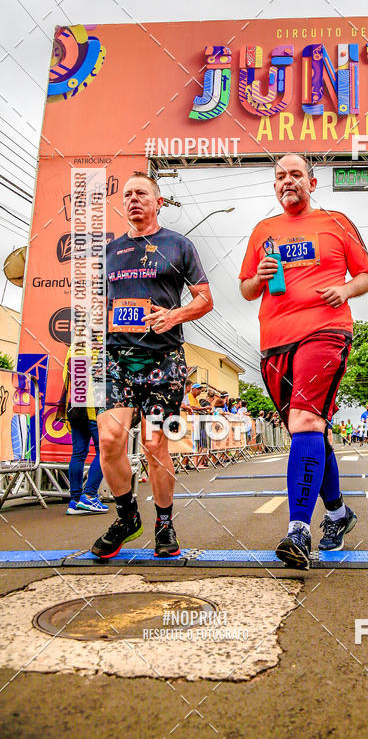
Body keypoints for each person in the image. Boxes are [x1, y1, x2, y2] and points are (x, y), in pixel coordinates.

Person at [239, 153, 368, 568]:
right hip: (275, 340)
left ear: (312, 183)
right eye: (280, 176)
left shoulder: (336, 222)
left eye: (295, 174)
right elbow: (245, 289)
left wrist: (346, 291)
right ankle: (338, 513)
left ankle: (298, 532)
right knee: (310, 434)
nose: (287, 181)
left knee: (306, 422)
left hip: (326, 329)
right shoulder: (264, 231)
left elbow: (367, 274)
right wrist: (260, 278)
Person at [91, 172, 213, 559]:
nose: (133, 200)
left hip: (164, 362)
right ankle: (127, 517)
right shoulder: (109, 253)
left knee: (155, 443)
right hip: (117, 360)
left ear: (158, 202)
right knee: (109, 440)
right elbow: (97, 307)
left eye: (142, 193)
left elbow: (205, 299)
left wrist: (174, 315)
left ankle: (164, 522)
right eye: (127, 195)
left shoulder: (179, 246)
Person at [60, 342, 108, 515]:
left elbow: (65, 377)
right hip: (95, 407)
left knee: (78, 453)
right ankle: (89, 496)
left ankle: (74, 500)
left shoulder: (72, 349)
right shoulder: (100, 347)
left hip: (74, 406)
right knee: (104, 451)